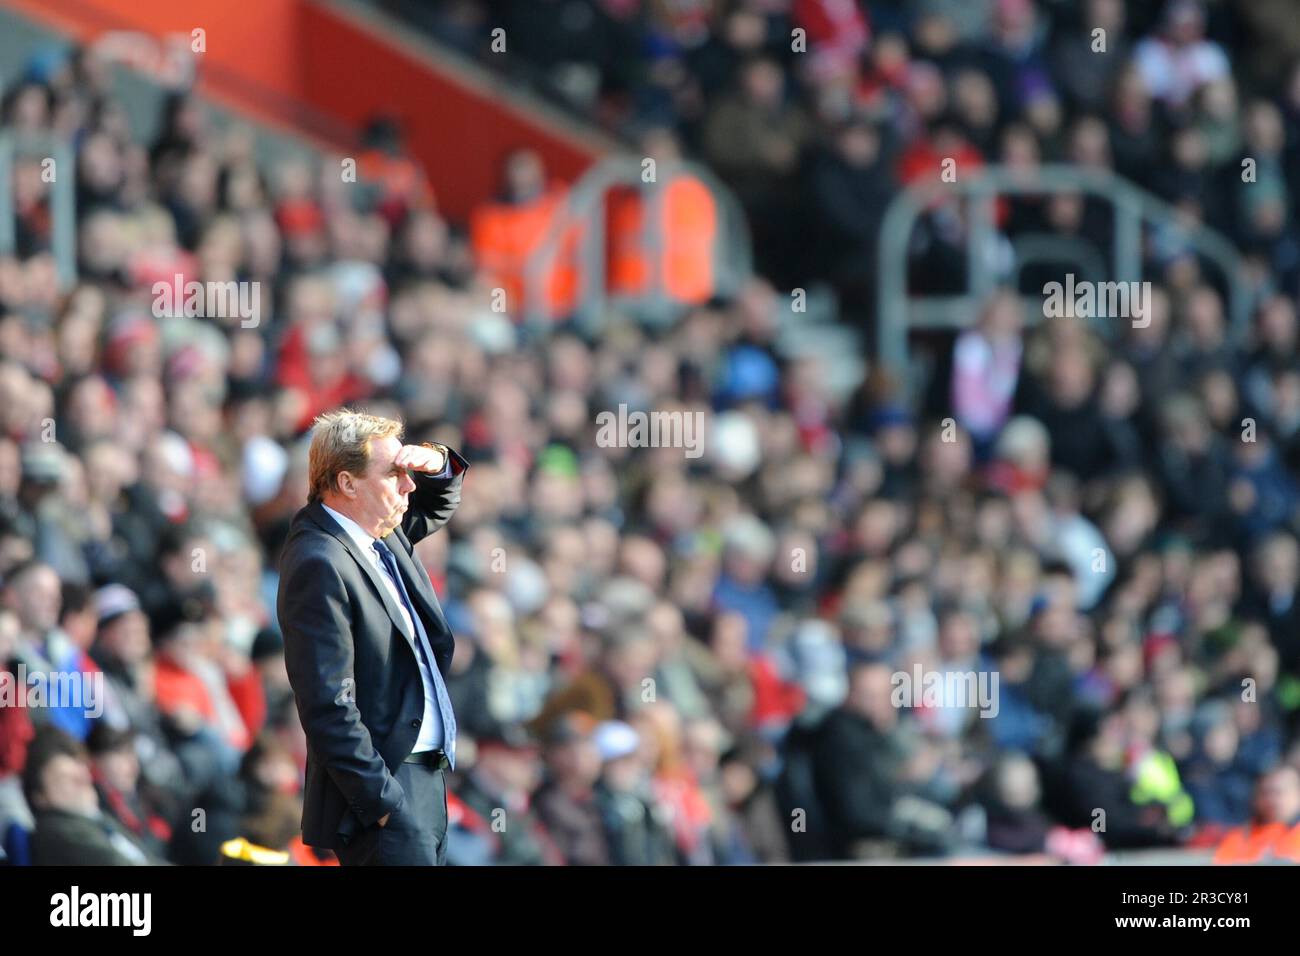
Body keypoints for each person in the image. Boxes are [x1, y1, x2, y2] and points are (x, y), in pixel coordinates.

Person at [278, 409, 468, 865]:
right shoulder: (319, 560)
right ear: (347, 483)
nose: (409, 486)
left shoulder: (378, 530)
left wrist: (434, 458)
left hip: (423, 779)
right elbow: (327, 704)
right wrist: (381, 801)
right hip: (388, 788)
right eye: (395, 474)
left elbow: (440, 501)